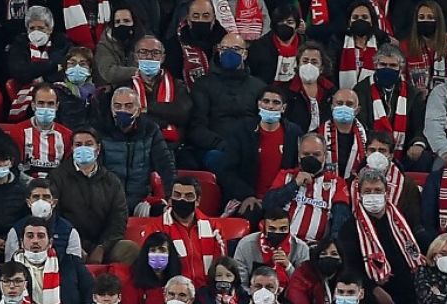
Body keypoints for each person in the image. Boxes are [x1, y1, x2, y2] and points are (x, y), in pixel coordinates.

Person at [339, 167, 425, 304]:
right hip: (375, 290)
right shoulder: (350, 228)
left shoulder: (402, 220)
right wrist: (375, 290)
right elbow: (350, 268)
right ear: (359, 195)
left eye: (377, 190)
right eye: (368, 191)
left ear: (386, 193)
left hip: (408, 286)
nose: (373, 195)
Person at [49, 127, 135, 265]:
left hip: (103, 245)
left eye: (89, 144)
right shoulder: (57, 177)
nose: (83, 148)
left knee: (129, 249)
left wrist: (102, 247)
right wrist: (75, 244)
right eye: (78, 145)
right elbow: (54, 215)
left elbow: (118, 220)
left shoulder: (112, 181)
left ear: (98, 148)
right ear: (72, 149)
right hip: (67, 242)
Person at [187, 32, 265, 172]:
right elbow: (196, 127)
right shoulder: (204, 85)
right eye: (224, 49)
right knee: (223, 160)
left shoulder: (258, 87)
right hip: (217, 148)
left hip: (250, 146)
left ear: (245, 54)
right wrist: (221, 144)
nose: (229, 53)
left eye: (235, 49)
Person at [221, 87, 303, 215]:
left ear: (284, 108)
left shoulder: (293, 133)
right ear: (259, 104)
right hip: (249, 198)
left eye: (276, 103)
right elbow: (228, 171)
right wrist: (246, 195)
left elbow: (297, 168)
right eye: (266, 101)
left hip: (283, 199)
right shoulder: (241, 131)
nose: (270, 106)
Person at [265, 132, 353, 245]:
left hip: (315, 247)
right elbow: (268, 205)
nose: (311, 158)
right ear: (299, 156)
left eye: (316, 155)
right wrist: (294, 184)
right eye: (306, 154)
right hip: (281, 242)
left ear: (325, 156)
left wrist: (331, 244)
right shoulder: (286, 176)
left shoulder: (336, 183)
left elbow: (341, 219)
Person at [101, 86, 176, 212]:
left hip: (140, 201)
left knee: (164, 213)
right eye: (118, 106)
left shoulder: (150, 130)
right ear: (111, 108)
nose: (123, 110)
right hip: (107, 202)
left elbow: (165, 165)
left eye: (129, 106)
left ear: (139, 109)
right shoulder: (100, 131)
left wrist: (171, 197)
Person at [233, 207, 311, 285]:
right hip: (252, 294)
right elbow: (240, 283)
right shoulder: (246, 244)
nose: (277, 232)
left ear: (289, 228)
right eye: (272, 229)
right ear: (264, 228)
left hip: (288, 294)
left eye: (283, 229)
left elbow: (304, 285)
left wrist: (288, 266)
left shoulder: (301, 248)